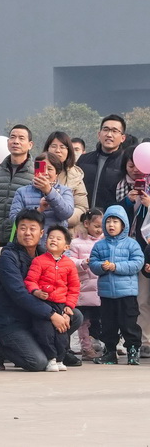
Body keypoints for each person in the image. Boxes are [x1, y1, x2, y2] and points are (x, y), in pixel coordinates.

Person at [0, 209, 83, 372]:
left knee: (76, 316)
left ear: (41, 233)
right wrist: (52, 315)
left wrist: (64, 310)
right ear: (17, 231)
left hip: (35, 318)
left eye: (33, 228)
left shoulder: (45, 254)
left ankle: (56, 350)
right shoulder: (8, 257)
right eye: (23, 228)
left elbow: (63, 286)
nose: (27, 233)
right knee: (37, 363)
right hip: (11, 321)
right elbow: (20, 294)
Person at [90, 205, 144, 365]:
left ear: (124, 224)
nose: (111, 225)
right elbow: (93, 263)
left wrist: (116, 267)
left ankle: (133, 350)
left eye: (115, 221)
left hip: (127, 293)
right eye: (108, 221)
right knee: (108, 325)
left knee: (129, 324)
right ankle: (110, 352)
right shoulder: (100, 245)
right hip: (106, 294)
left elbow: (137, 263)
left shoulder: (132, 244)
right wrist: (101, 266)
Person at [24, 226, 80, 371]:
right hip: (43, 303)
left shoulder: (69, 264)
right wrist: (36, 292)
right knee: (45, 332)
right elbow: (30, 280)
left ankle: (60, 359)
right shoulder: (39, 261)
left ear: (66, 246)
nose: (53, 240)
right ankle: (50, 358)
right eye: (51, 237)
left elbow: (74, 287)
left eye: (58, 238)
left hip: (60, 304)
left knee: (62, 333)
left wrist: (69, 306)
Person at [114, 146, 150, 357]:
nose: (137, 169)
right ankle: (145, 340)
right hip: (138, 247)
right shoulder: (125, 186)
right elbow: (119, 216)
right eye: (132, 165)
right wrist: (130, 201)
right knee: (142, 297)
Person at [0, 125, 35, 245]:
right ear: (8, 142)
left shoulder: (35, 174)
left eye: (21, 138)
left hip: (21, 238)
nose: (16, 141)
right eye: (13, 137)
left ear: (30, 144)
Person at [67, 209, 104, 360]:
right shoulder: (76, 242)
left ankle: (99, 344)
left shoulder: (104, 241)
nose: (99, 230)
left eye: (102, 226)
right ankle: (86, 347)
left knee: (99, 320)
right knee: (84, 321)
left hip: (100, 289)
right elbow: (70, 262)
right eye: (96, 226)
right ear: (86, 224)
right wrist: (83, 262)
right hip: (83, 289)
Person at [7, 153, 75, 234]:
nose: (45, 173)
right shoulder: (22, 192)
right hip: (29, 240)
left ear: (57, 173)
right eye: (42, 168)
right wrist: (38, 210)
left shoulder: (65, 191)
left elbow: (66, 214)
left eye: (50, 169)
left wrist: (49, 191)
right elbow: (14, 219)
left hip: (53, 241)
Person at [78, 115, 128, 210]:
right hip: (85, 218)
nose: (109, 134)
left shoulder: (126, 163)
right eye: (106, 129)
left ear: (123, 138)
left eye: (114, 131)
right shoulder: (83, 160)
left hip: (112, 220)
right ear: (99, 134)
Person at [42, 131, 88, 232]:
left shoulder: (75, 176)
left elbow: (81, 208)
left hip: (64, 232)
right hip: (37, 228)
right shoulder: (37, 171)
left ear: (68, 151)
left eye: (62, 147)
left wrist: (60, 217)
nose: (58, 150)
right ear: (47, 148)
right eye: (54, 146)